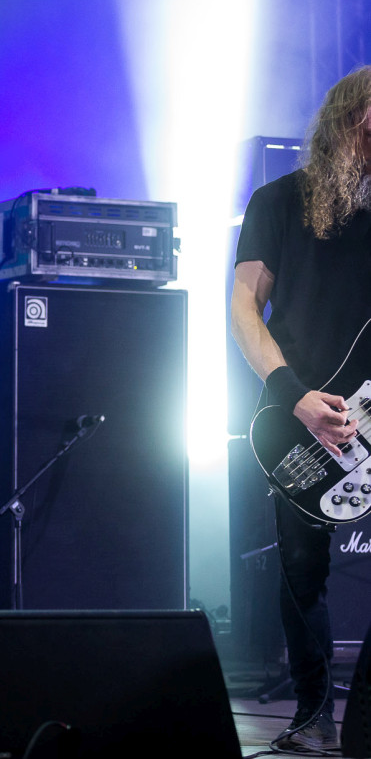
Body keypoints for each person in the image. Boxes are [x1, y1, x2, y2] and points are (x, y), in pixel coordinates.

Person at [230, 65, 371, 752]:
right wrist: (295, 397)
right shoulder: (278, 201)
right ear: (347, 123)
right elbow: (242, 309)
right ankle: (313, 715)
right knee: (300, 569)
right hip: (299, 416)